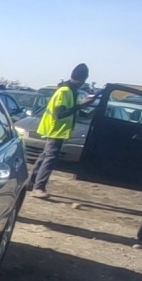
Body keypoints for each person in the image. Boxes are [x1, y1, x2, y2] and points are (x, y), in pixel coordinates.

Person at [30, 63, 92, 199]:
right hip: (55, 129)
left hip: (55, 129)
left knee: (44, 156)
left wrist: (80, 107)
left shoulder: (69, 90)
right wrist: (80, 105)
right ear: (82, 79)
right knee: (50, 158)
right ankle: (38, 187)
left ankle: (32, 182)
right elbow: (60, 114)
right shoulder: (65, 92)